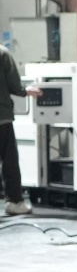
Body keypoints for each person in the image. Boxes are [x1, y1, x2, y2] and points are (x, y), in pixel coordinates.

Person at [1, 43, 41, 216]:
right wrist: (26, 91)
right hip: (1, 118)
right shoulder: (2, 53)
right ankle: (14, 202)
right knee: (9, 160)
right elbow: (14, 85)